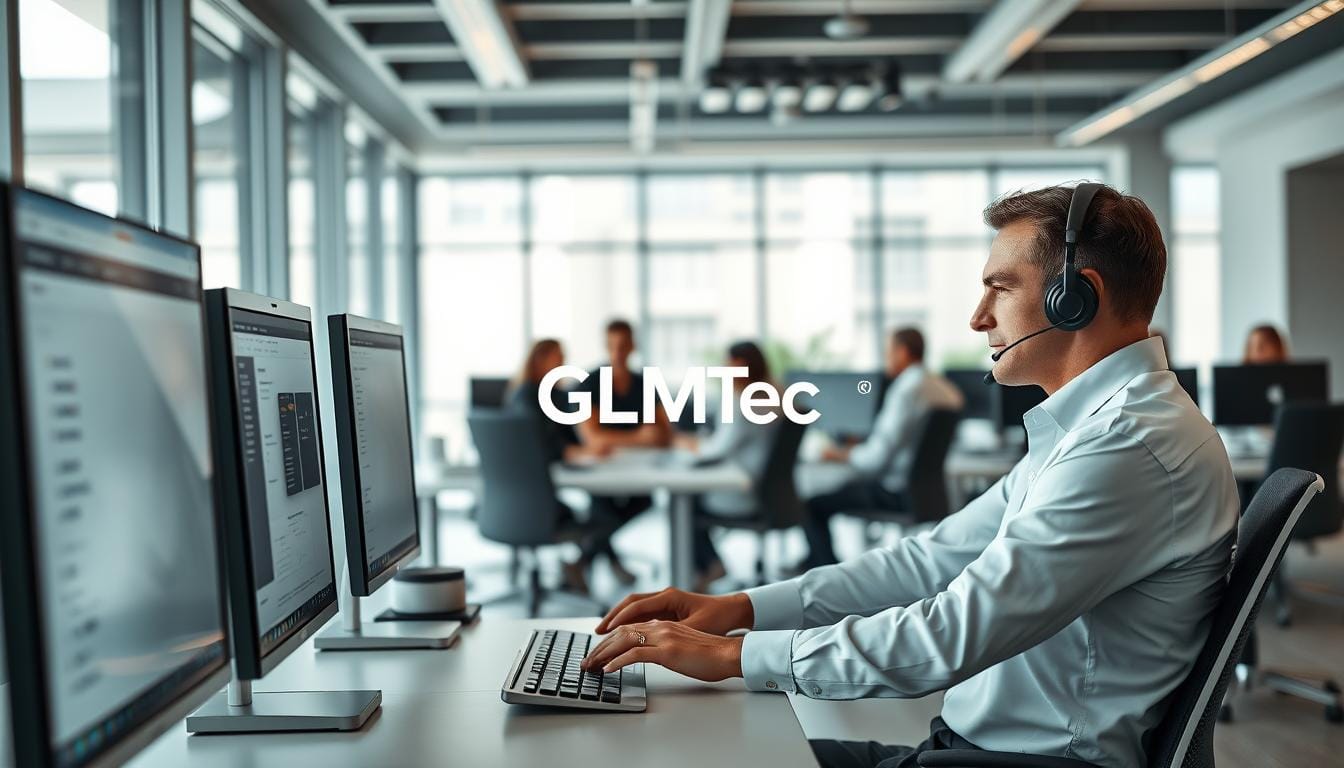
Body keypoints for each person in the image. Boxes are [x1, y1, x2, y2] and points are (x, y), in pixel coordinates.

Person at [579, 183, 1240, 768]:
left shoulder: (1128, 446)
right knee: (701, 748)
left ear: (1075, 298)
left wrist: (735, 657)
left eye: (1000, 287)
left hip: (1028, 763)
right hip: (972, 747)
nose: (978, 316)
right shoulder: (1089, 431)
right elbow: (927, 562)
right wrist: (739, 609)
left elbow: (949, 635)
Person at [799, 328, 964, 569]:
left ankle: (826, 570)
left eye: (889, 352)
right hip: (929, 493)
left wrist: (842, 454)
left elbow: (876, 460)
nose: (886, 358)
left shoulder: (906, 389)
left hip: (895, 493)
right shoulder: (946, 390)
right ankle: (814, 563)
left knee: (812, 504)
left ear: (903, 352)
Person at [505, 339, 612, 593]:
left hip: (523, 500)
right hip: (532, 503)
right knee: (601, 513)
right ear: (539, 360)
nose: (562, 363)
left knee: (604, 506)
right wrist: (573, 451)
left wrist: (589, 445)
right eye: (557, 357)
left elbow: (570, 434)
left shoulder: (556, 394)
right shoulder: (526, 396)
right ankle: (584, 563)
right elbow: (538, 443)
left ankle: (588, 563)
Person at [675, 341, 781, 593]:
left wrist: (690, 445)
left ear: (740, 366)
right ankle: (709, 565)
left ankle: (709, 566)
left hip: (741, 494)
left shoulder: (743, 400)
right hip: (768, 493)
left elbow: (719, 449)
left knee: (684, 502)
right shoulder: (776, 393)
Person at [572, 319, 673, 586]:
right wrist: (639, 436)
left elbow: (664, 435)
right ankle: (608, 562)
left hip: (641, 470)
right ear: (606, 347)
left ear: (632, 346)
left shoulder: (645, 383)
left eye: (623, 345)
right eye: (612, 345)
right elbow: (592, 438)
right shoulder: (590, 383)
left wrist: (617, 439)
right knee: (602, 507)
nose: (617, 351)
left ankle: (581, 561)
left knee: (644, 501)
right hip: (600, 470)